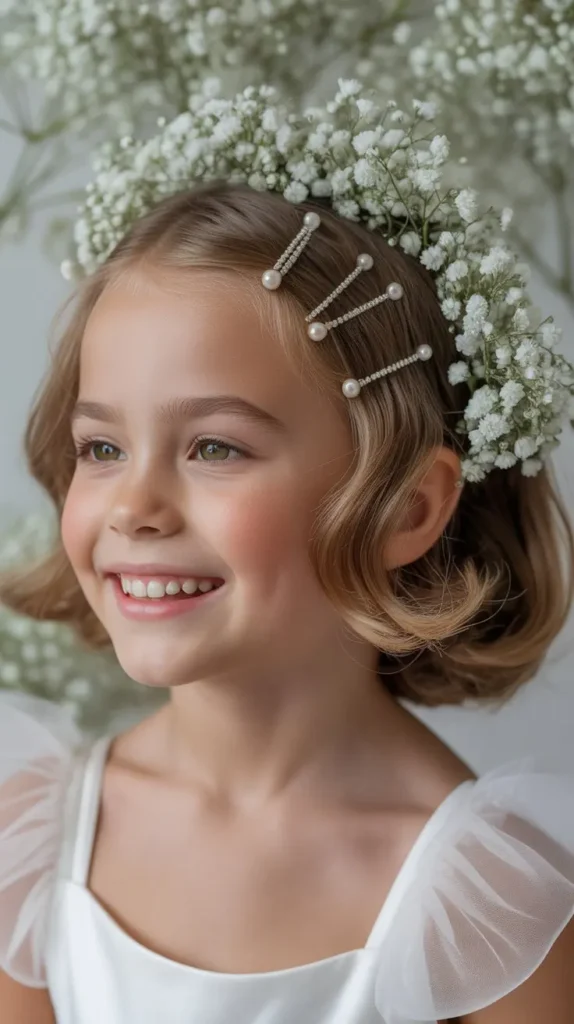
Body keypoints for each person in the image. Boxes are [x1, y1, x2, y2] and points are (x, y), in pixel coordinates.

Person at [1, 81, 574, 1024]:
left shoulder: (488, 908)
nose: (134, 505)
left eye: (215, 447)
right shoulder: (33, 839)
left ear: (407, 506)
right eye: (102, 447)